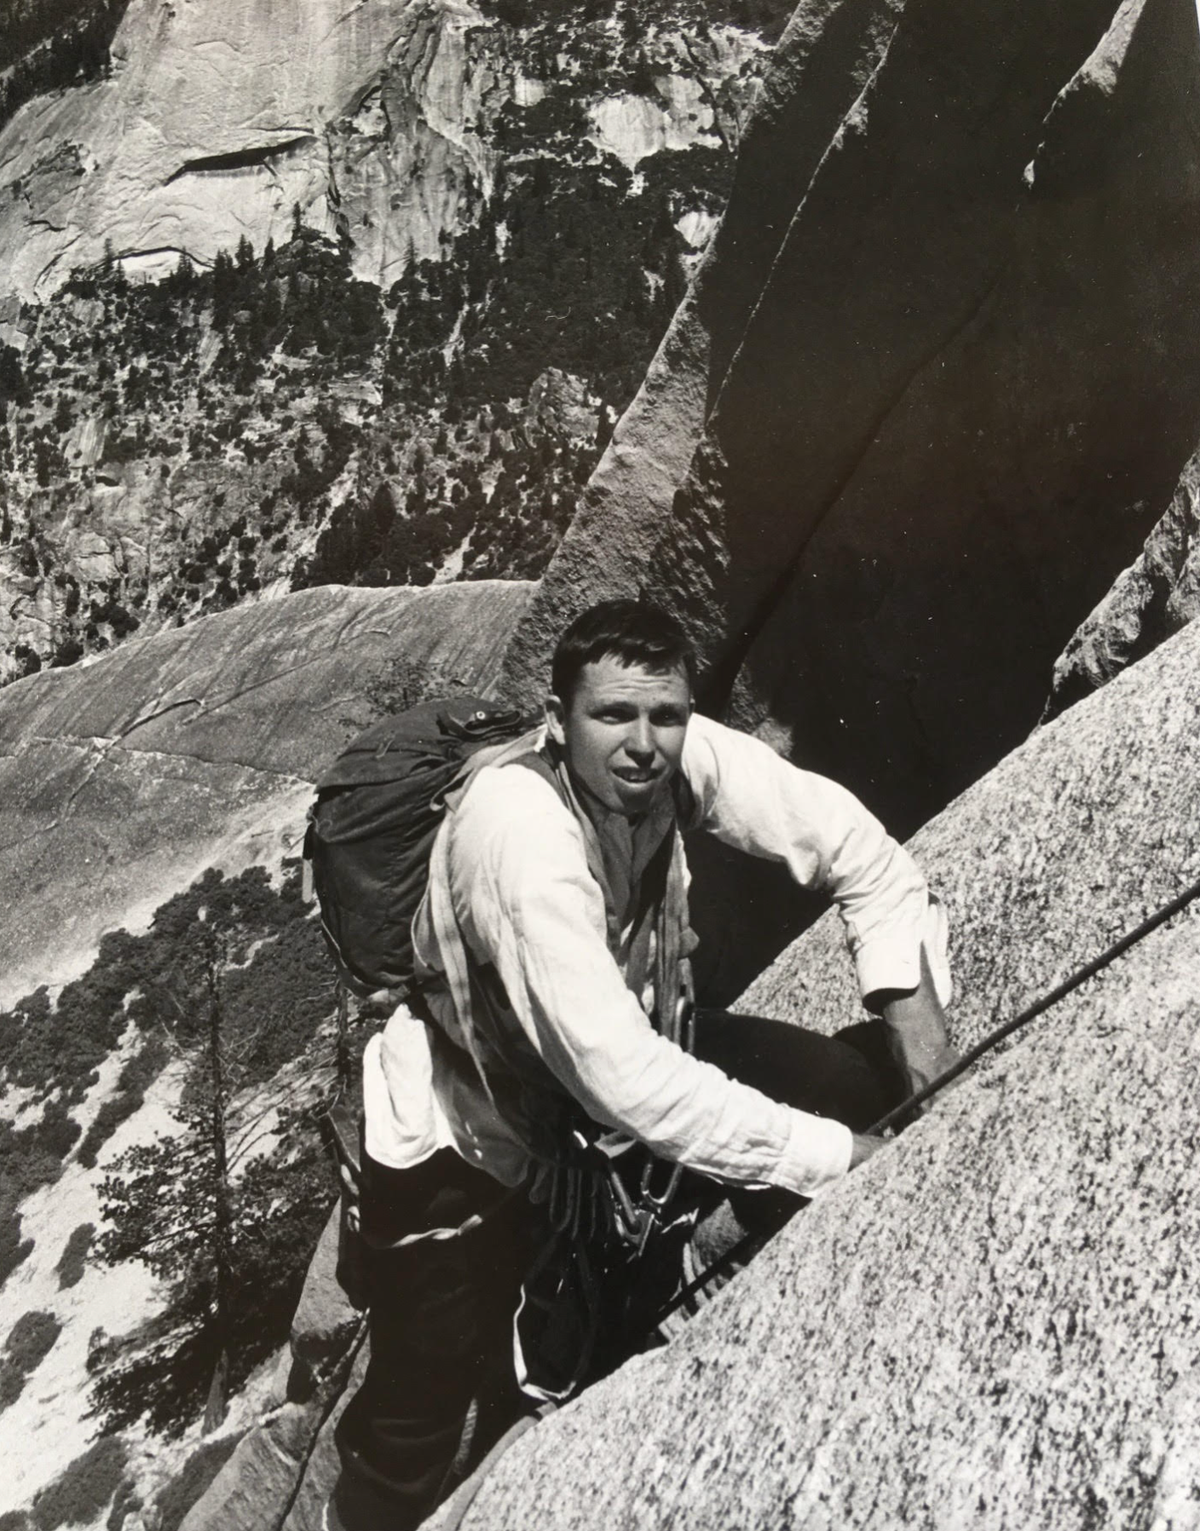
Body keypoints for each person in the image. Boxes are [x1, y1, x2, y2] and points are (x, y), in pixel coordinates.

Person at [329, 599, 956, 1530]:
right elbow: (616, 1074)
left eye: (664, 715)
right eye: (612, 715)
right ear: (556, 720)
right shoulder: (520, 836)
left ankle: (660, 1283)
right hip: (471, 1136)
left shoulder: (679, 760)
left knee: (850, 1086)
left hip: (617, 1066)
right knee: (417, 1419)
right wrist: (836, 1162)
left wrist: (925, 1051)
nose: (642, 743)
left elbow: (856, 848)